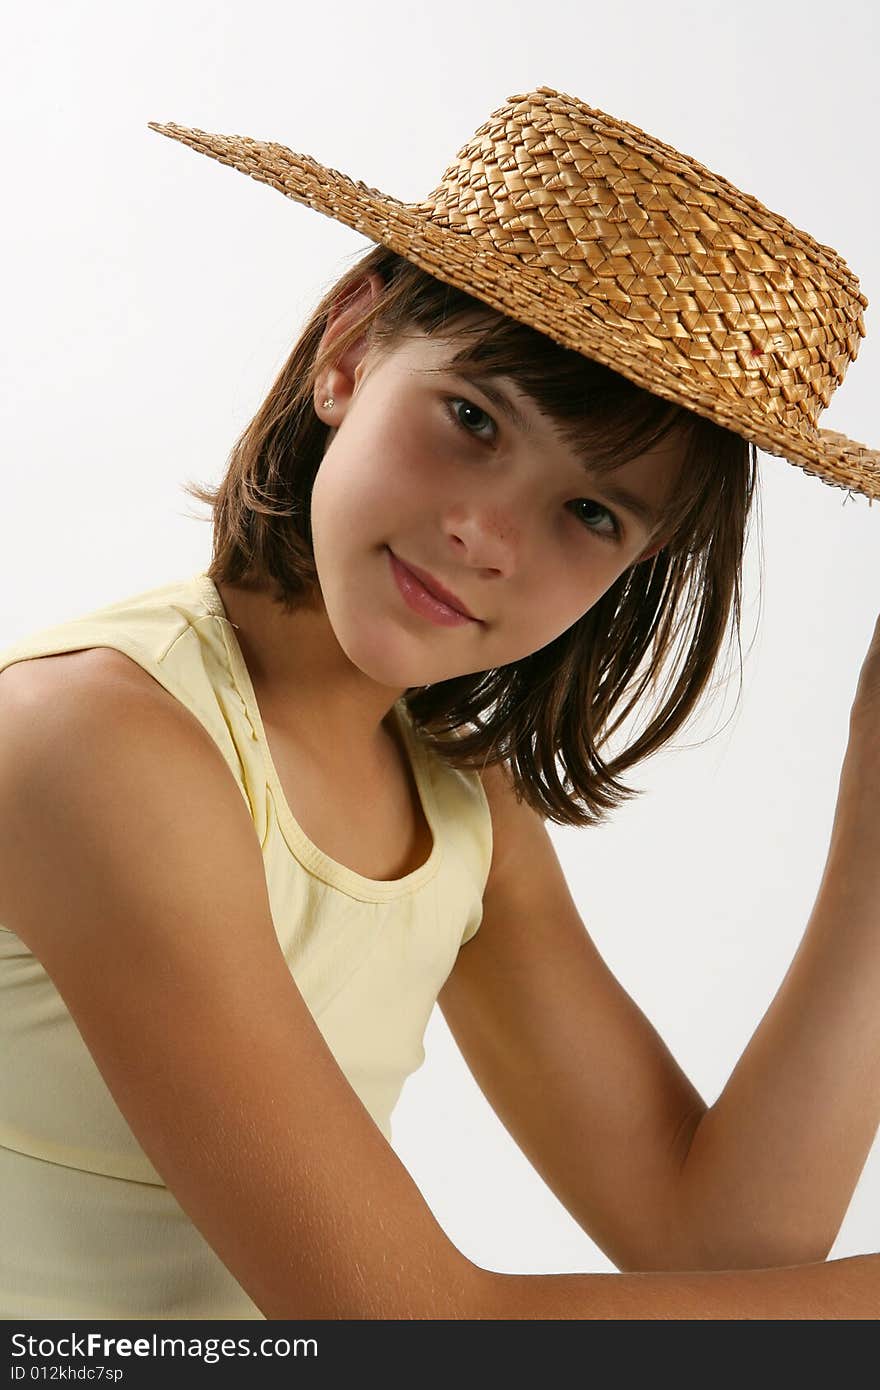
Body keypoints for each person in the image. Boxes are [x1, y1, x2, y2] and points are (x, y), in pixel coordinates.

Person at [1, 85, 879, 1320]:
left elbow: (717, 1249)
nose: (484, 536)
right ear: (347, 351)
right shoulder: (97, 744)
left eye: (589, 512)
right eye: (472, 418)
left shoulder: (460, 798)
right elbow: (408, 1327)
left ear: (637, 566)